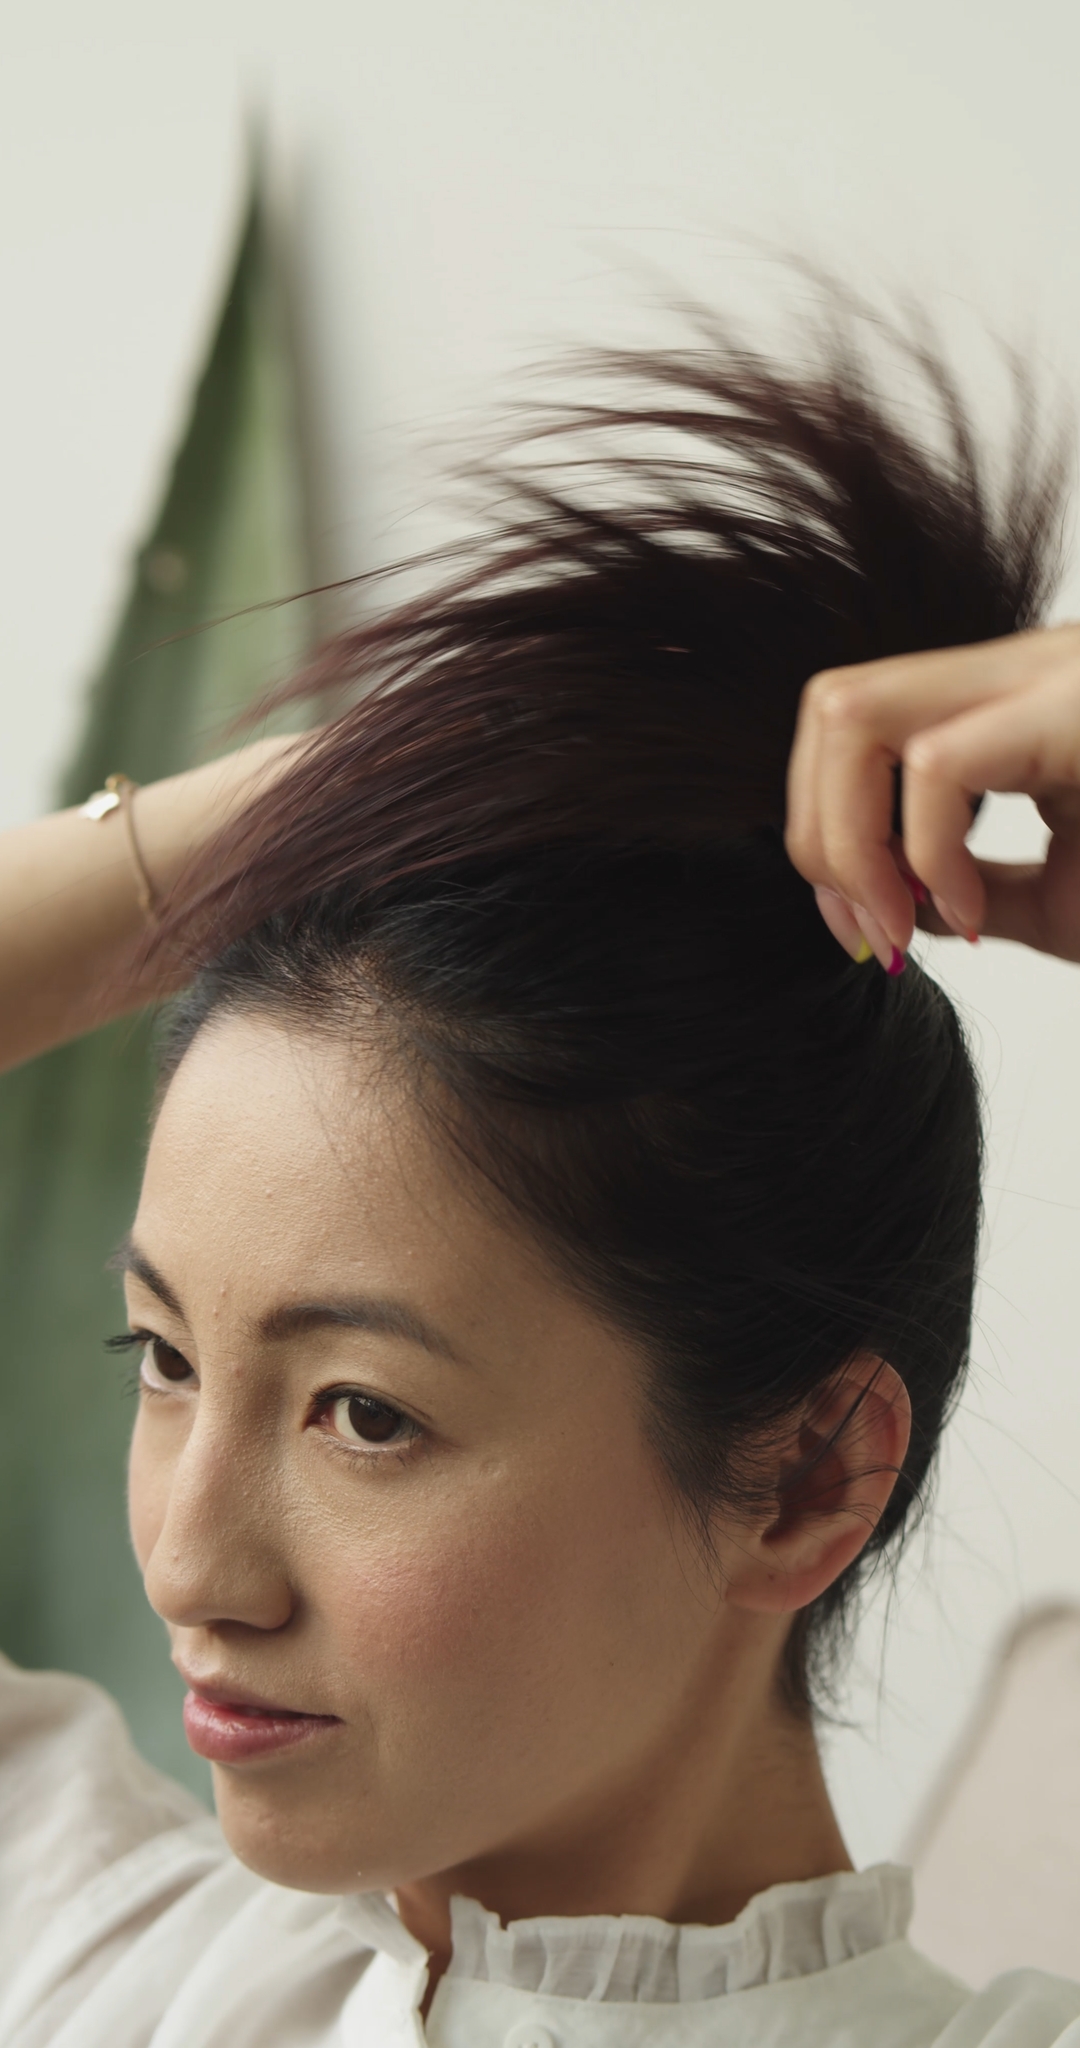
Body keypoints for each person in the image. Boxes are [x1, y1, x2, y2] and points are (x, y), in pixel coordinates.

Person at [4, 307, 1080, 2048]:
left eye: (364, 1414)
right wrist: (367, 796)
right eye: (167, 1360)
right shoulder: (111, 1969)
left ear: (811, 1475)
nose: (192, 1565)